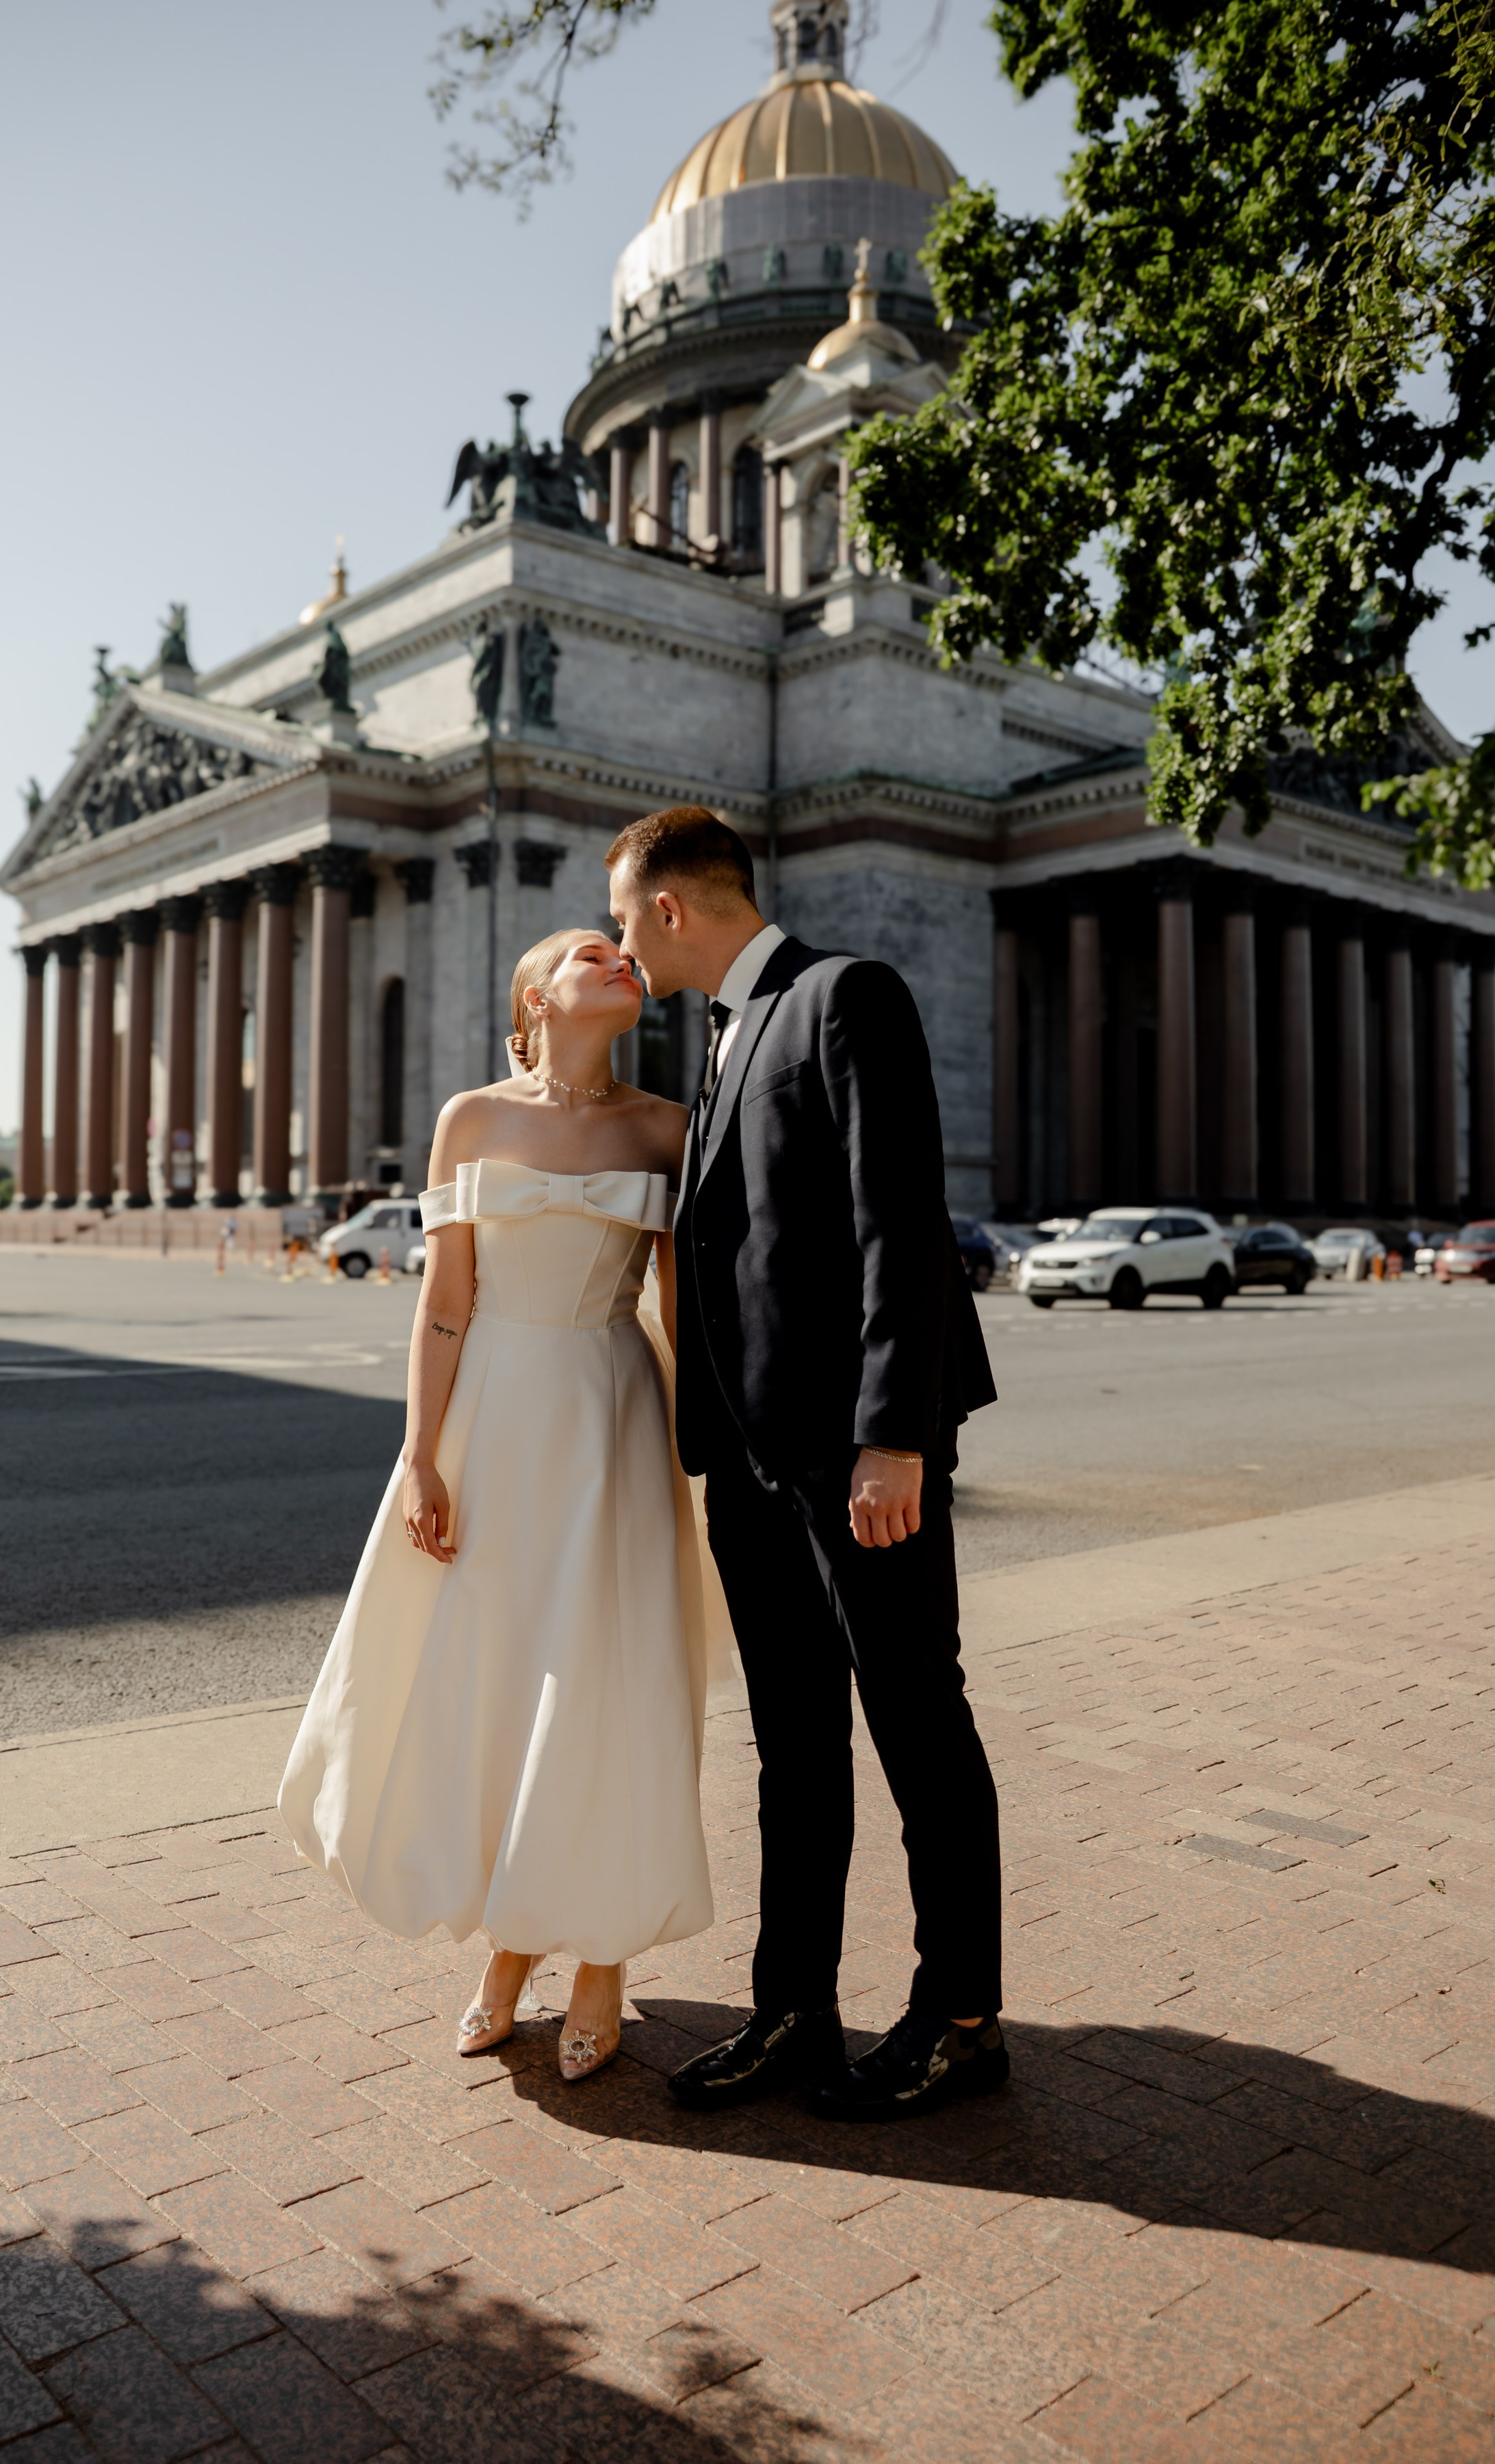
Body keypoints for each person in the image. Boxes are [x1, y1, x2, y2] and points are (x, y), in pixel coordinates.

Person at [607, 806, 1005, 2121]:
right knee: (794, 1747)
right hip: (757, 1469)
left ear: (671, 906)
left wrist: (896, 1435)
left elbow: (900, 1224)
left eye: (623, 916)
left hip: (858, 1458)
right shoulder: (721, 1038)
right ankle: (795, 2008)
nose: (618, 942)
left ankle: (959, 2018)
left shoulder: (842, 995)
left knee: (915, 1723)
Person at [279, 929, 725, 2082]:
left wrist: (712, 1448)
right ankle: (511, 1945)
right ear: (535, 991)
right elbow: (444, 1301)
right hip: (490, 1421)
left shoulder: (667, 1126)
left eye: (625, 951)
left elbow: (683, 1306)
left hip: (614, 1418)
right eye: (591, 950)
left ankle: (601, 1962)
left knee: (605, 1688)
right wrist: (420, 1456)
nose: (620, 958)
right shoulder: (470, 1119)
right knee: (489, 1681)